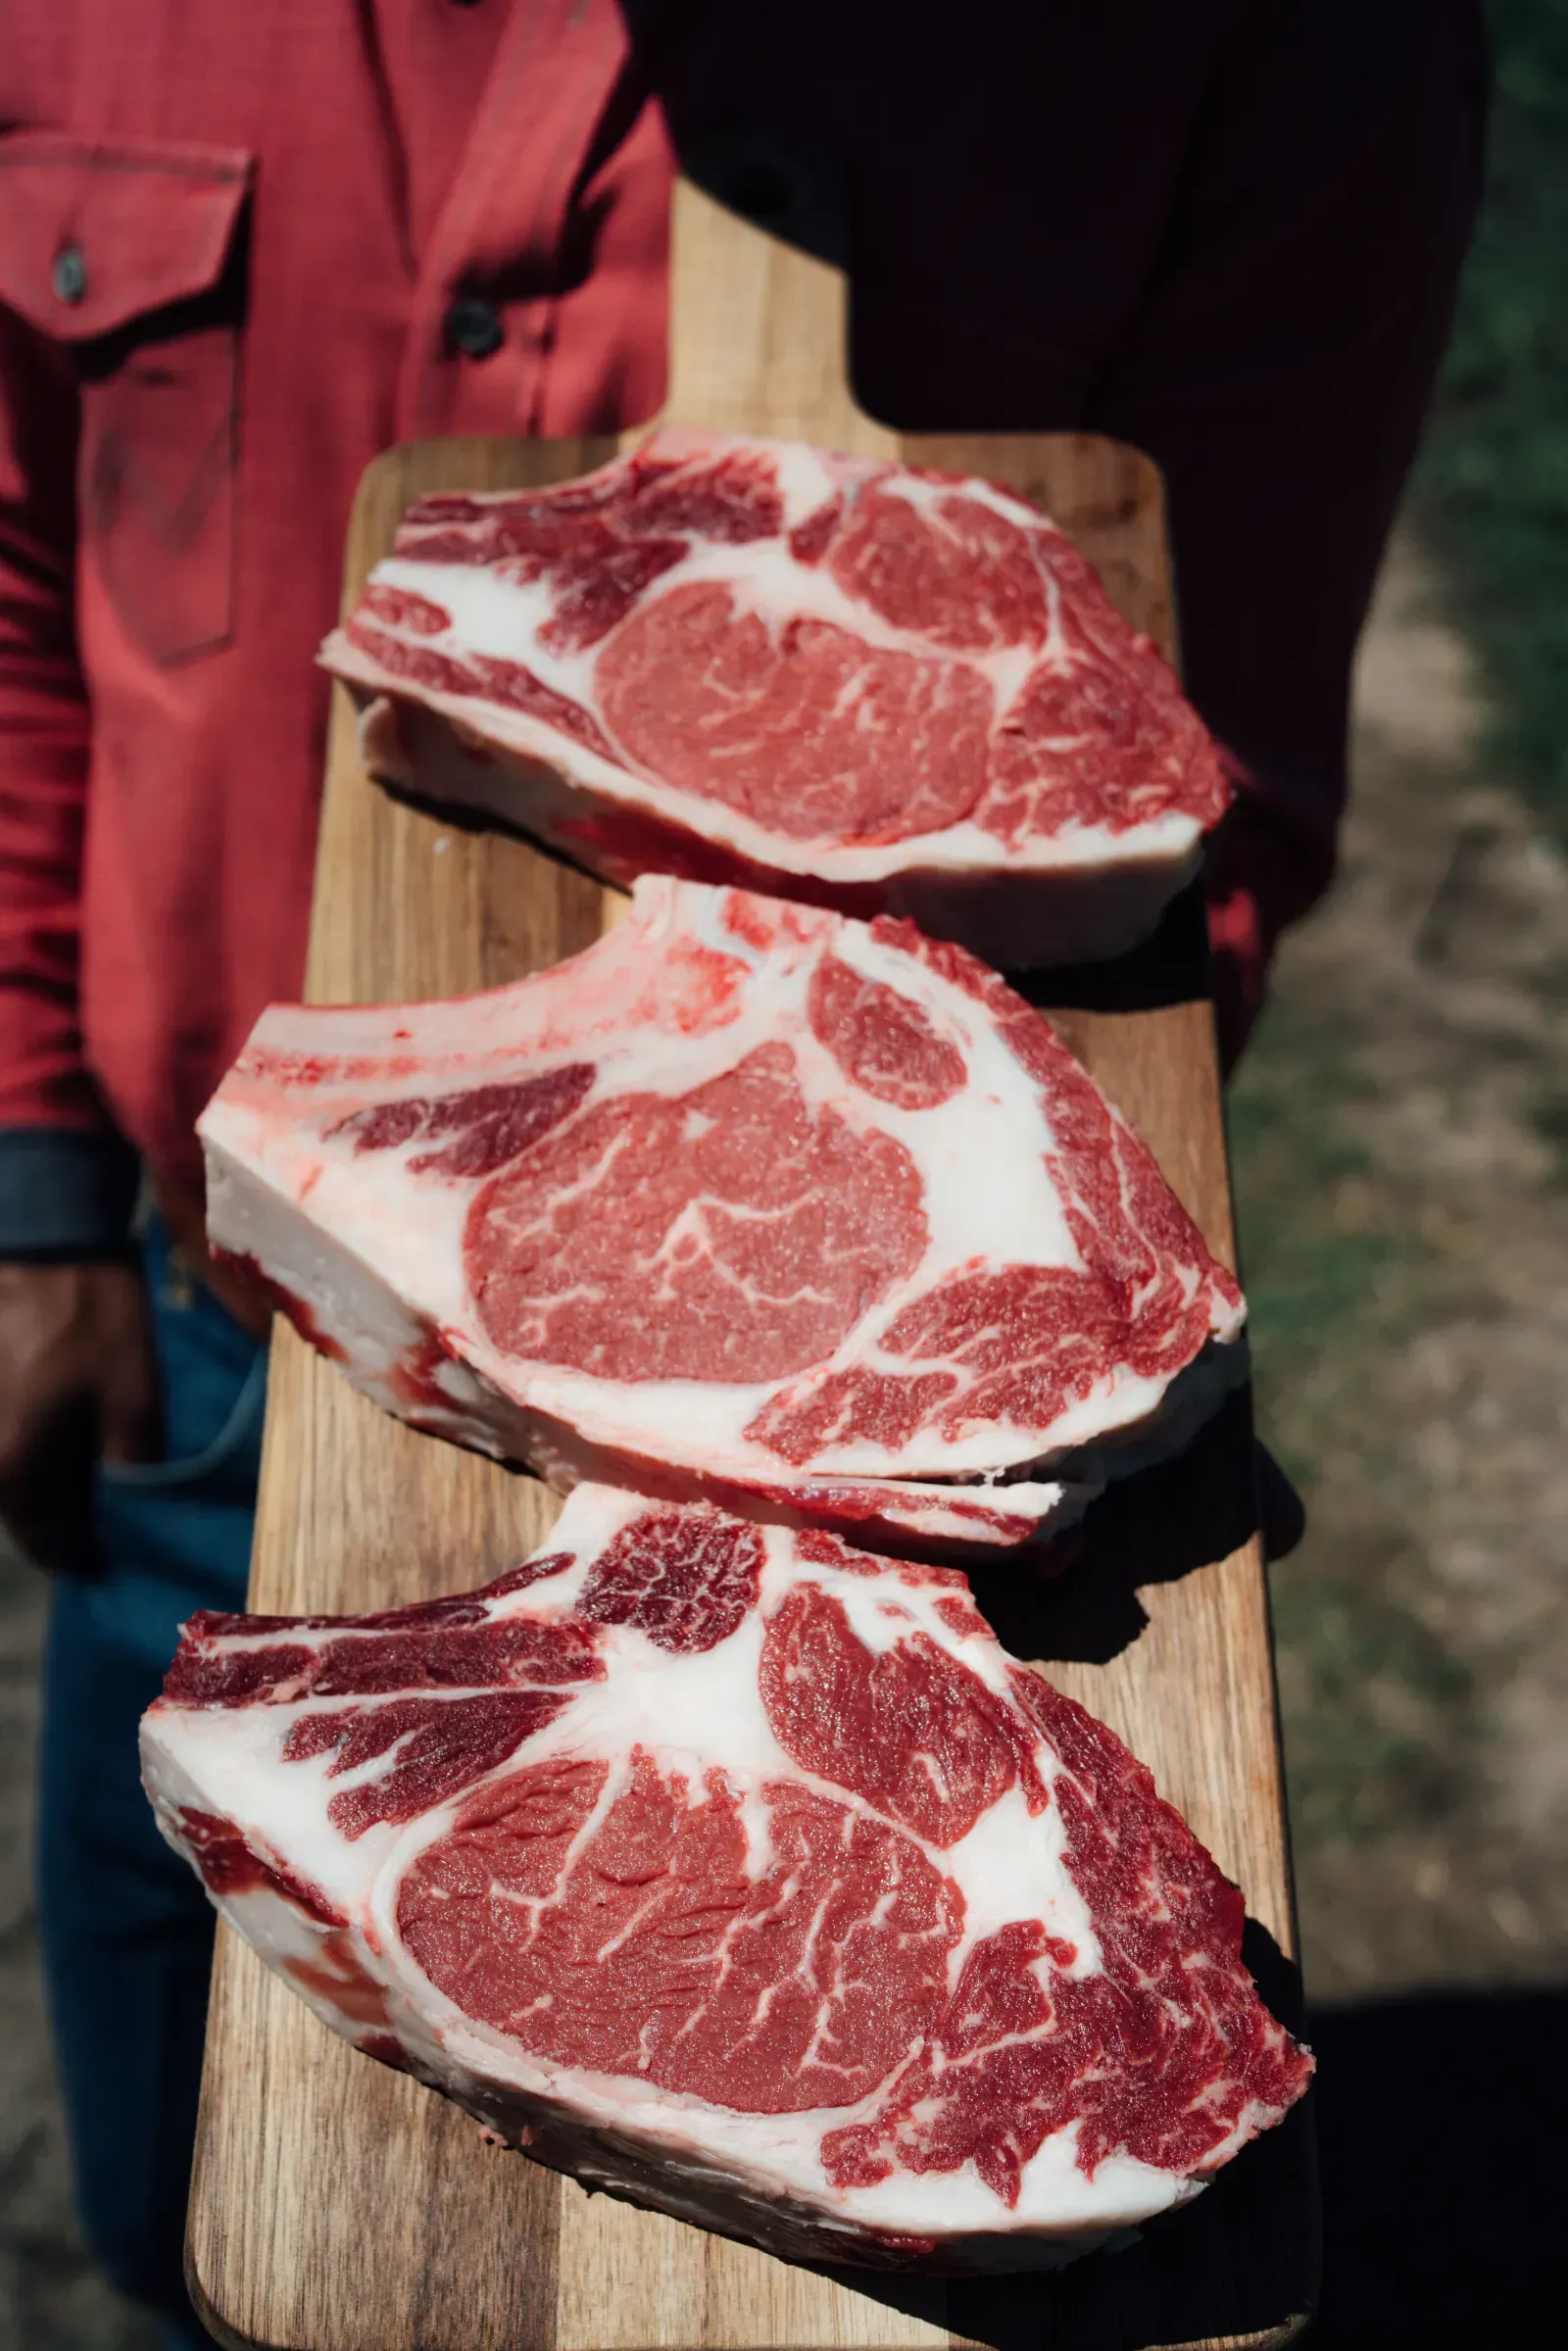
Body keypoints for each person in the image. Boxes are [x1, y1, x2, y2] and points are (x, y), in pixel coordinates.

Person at [0, 3, 1484, 2341]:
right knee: (152, 2071)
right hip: (182, 1315)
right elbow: (16, 574)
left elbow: (1207, 812)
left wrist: (972, 1219)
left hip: (867, 1376)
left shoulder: (1277, 55)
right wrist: (25, 1173)